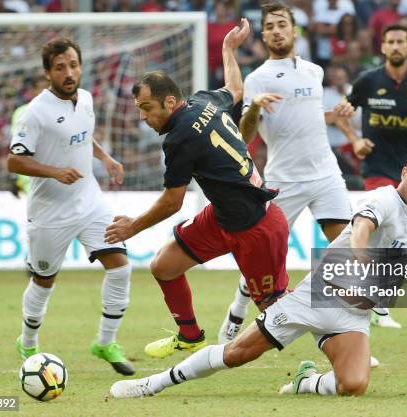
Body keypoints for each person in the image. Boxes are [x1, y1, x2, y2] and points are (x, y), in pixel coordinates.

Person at [109, 149, 407, 399]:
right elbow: (364, 223)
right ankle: (153, 384)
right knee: (236, 355)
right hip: (314, 298)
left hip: (352, 315)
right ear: (404, 172)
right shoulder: (384, 198)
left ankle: (306, 383)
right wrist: (361, 255)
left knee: (354, 386)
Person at [104, 18, 290, 360]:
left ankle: (336, 341)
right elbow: (235, 88)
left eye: (147, 108)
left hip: (256, 228)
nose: (143, 117)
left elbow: (173, 201)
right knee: (164, 266)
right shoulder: (204, 101)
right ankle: (189, 335)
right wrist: (227, 49)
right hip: (224, 218)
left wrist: (133, 226)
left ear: (170, 101)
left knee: (276, 311)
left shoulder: (179, 138)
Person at [217, 3, 356, 345]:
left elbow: (306, 116)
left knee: (348, 249)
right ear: (264, 36)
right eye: (271, 26)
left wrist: (337, 114)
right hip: (284, 179)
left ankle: (346, 325)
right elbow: (245, 135)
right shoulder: (257, 78)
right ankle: (237, 310)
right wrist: (254, 107)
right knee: (261, 256)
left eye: (282, 24)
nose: (277, 30)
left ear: (295, 31)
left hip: (325, 174)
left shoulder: (314, 72)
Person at [7, 37, 134, 375]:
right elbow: (14, 162)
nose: (69, 72)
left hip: (89, 201)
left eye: (73, 65)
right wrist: (54, 171)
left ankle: (105, 342)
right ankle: (28, 342)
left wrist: (106, 158)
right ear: (47, 73)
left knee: (121, 267)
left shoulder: (87, 99)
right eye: (60, 67)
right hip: (50, 212)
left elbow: (82, 134)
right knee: (44, 281)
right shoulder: (35, 112)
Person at [347, 23, 407, 328]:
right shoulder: (368, 81)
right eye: (390, 42)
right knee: (387, 235)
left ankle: (377, 302)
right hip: (377, 168)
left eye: (401, 42)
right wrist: (354, 138)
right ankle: (376, 305)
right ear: (382, 47)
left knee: (403, 241)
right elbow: (340, 112)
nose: (396, 46)